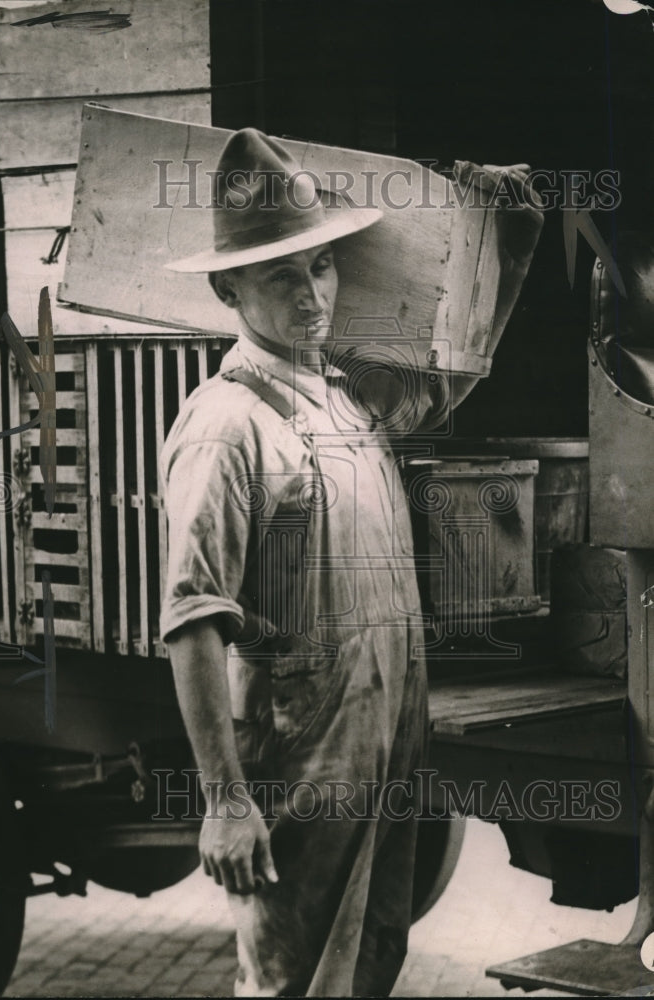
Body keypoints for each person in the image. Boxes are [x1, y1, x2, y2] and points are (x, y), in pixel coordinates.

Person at [158, 128, 534, 996]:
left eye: (322, 267)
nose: (312, 293)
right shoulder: (225, 427)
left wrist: (506, 247)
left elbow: (448, 380)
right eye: (282, 275)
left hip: (387, 730)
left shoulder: (344, 397)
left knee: (367, 966)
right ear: (228, 287)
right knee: (291, 979)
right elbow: (192, 621)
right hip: (301, 750)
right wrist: (224, 801)